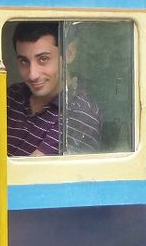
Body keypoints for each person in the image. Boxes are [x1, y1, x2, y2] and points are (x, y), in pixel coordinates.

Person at [7, 22, 101, 156]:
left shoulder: (80, 114)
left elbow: (31, 174)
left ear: (69, 53)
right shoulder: (12, 95)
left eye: (43, 59)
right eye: (24, 61)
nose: (32, 75)